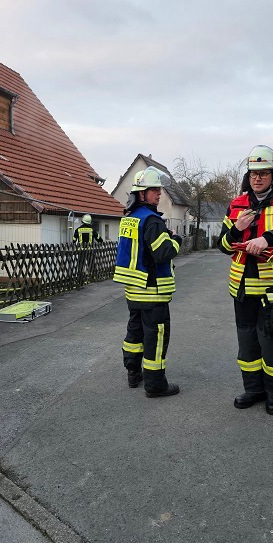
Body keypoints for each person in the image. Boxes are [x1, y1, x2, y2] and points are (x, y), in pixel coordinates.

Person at [217, 145, 273, 415]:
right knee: (247, 342)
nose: (257, 178)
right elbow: (223, 245)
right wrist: (237, 229)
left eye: (264, 173)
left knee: (271, 342)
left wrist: (268, 238)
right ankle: (253, 389)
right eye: (253, 173)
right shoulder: (237, 204)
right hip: (242, 288)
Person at [113, 167, 182, 398]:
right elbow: (162, 254)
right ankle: (155, 386)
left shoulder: (129, 218)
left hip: (134, 292)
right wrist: (176, 240)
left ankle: (133, 373)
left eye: (158, 189)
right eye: (154, 190)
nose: (159, 193)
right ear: (142, 194)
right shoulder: (152, 221)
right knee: (156, 338)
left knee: (135, 333)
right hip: (153, 293)